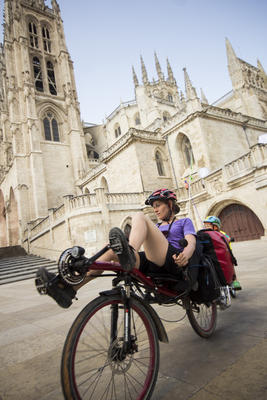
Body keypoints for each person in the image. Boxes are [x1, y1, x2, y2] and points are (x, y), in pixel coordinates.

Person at [36, 189, 201, 308]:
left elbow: (191, 241)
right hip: (152, 262)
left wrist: (186, 254)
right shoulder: (157, 226)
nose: (156, 210)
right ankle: (68, 288)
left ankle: (129, 251)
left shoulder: (183, 222)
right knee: (110, 251)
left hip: (174, 261)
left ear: (170, 204)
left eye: (158, 205)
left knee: (139, 216)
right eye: (154, 207)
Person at [203, 215, 241, 289]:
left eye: (208, 225)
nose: (206, 227)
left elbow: (227, 238)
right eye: (205, 225)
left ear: (216, 226)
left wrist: (229, 239)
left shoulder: (221, 233)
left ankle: (235, 280)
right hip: (214, 253)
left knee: (231, 264)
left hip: (226, 251)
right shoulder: (206, 233)